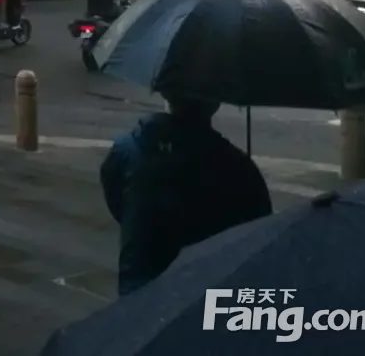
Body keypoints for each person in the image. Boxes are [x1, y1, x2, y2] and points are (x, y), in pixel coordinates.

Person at [101, 97, 272, 295]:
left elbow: (116, 199)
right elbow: (258, 229)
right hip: (208, 287)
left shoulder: (127, 149)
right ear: (215, 104)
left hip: (141, 287)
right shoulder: (239, 168)